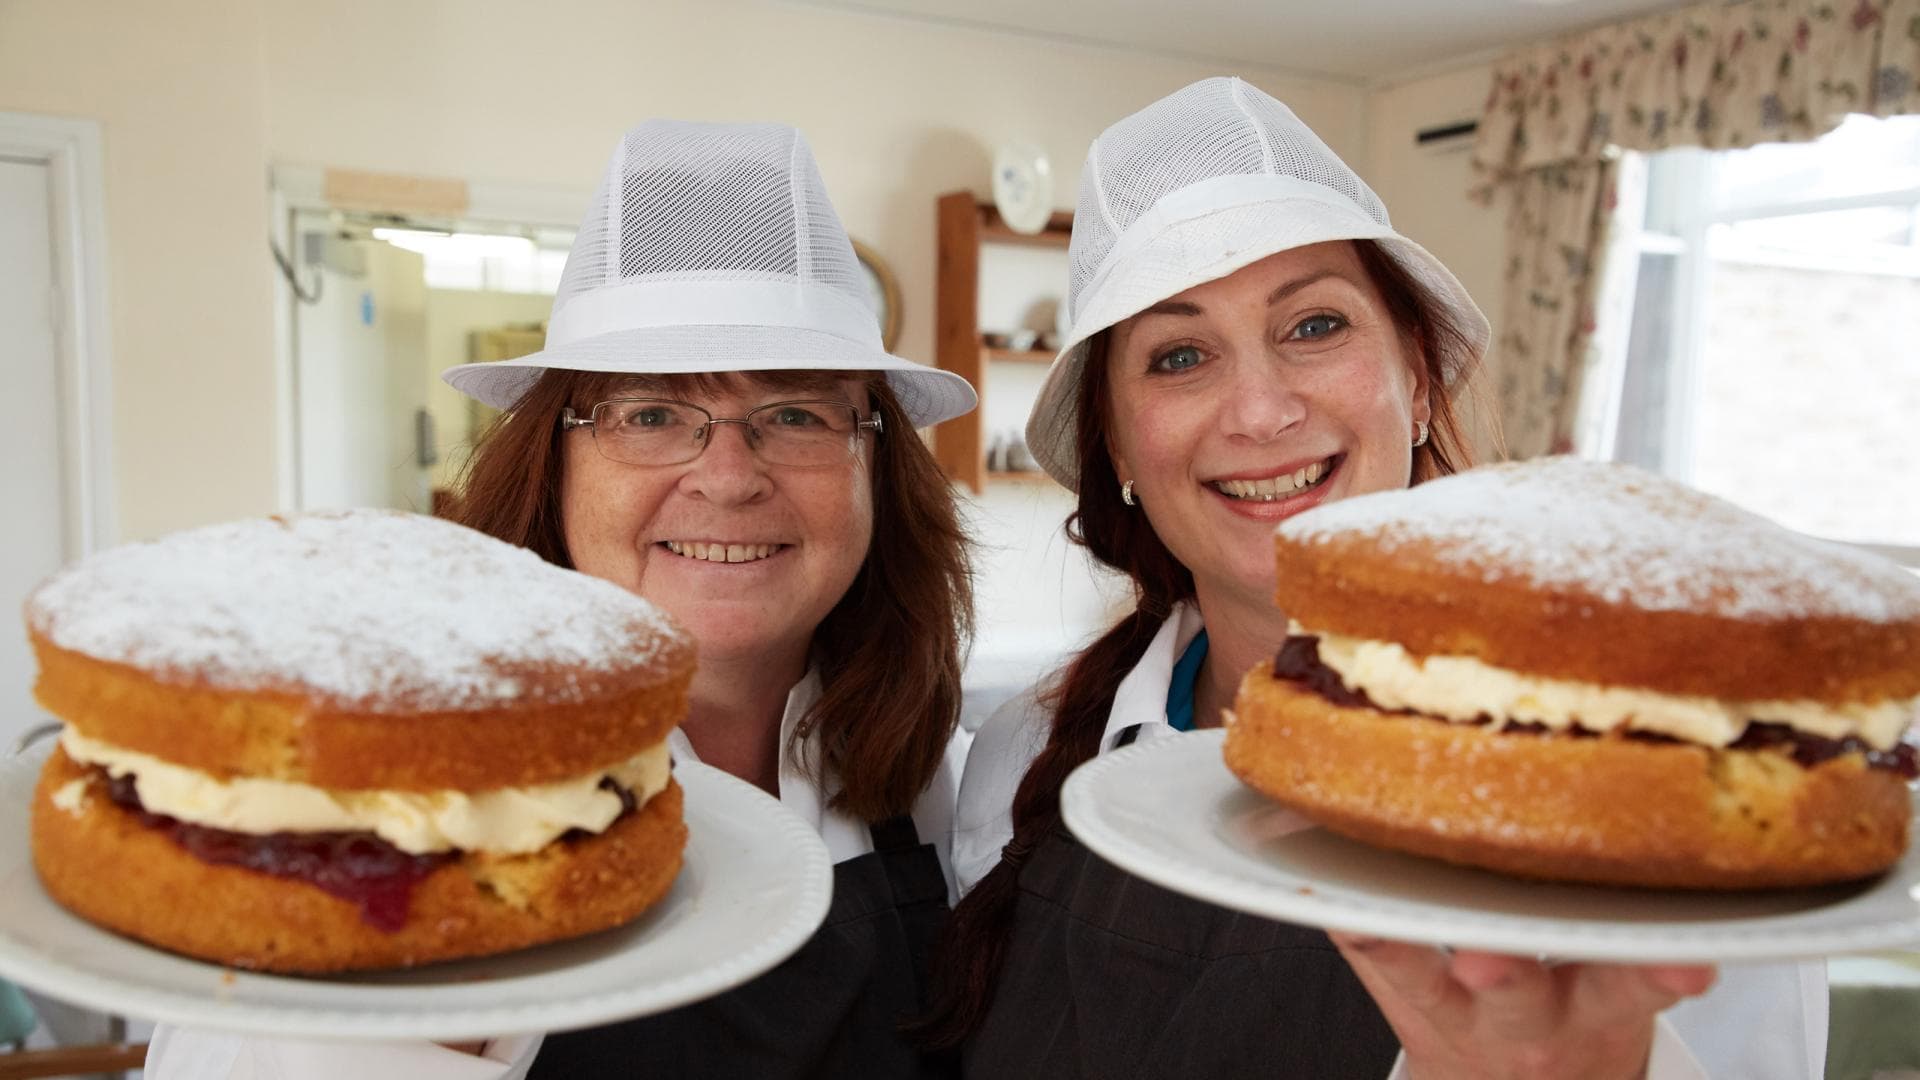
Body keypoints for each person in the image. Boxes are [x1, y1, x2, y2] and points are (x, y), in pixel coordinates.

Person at [927, 77, 1825, 1080]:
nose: (1259, 412)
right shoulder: (1022, 759)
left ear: (1421, 378)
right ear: (1120, 449)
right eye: (1180, 355)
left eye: (1314, 326)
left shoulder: (1659, 781)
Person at [143, 119, 976, 1079]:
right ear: (553, 466)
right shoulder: (388, 793)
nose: (728, 478)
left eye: (796, 414)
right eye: (652, 413)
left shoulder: (944, 788)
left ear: (879, 465)